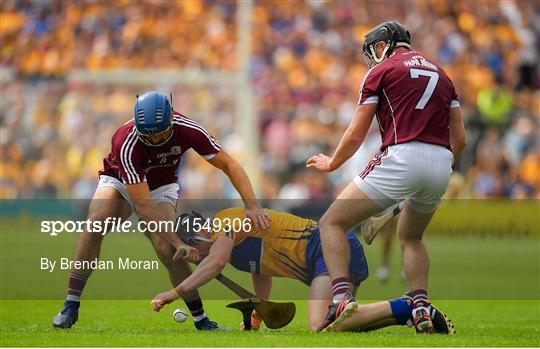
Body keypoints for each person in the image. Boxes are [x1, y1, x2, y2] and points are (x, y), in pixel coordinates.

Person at [52, 91, 269, 330]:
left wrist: (252, 205)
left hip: (162, 185)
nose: (154, 140)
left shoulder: (188, 128)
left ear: (171, 121)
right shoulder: (126, 140)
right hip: (120, 181)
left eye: (160, 134)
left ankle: (200, 319)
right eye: (148, 136)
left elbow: (229, 164)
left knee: (165, 248)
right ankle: (71, 304)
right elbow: (144, 206)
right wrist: (180, 243)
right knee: (96, 222)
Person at [306, 21, 467, 332]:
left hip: (402, 155)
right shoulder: (443, 75)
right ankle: (420, 306)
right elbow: (460, 140)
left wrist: (333, 163)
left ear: (382, 46)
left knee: (331, 223)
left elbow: (355, 134)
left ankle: (341, 299)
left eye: (372, 52)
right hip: (440, 162)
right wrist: (438, 166)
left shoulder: (381, 71)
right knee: (411, 238)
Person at [149, 208, 454, 334]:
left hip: (327, 249)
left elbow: (213, 262)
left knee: (320, 323)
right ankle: (409, 311)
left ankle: (409, 305)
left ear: (200, 232)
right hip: (326, 255)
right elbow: (261, 269)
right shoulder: (231, 250)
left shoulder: (225, 223)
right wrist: (258, 311)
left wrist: (174, 292)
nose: (196, 258)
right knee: (340, 324)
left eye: (193, 250)